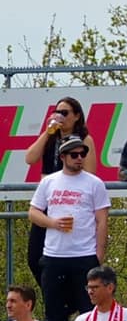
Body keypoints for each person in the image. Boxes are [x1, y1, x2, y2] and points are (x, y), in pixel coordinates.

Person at [29, 136, 109, 321]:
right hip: (54, 255)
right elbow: (33, 212)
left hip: (84, 255)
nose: (79, 158)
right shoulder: (49, 182)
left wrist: (99, 255)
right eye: (74, 155)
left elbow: (102, 220)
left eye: (82, 154)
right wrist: (52, 223)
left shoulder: (94, 183)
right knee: (53, 312)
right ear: (62, 156)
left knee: (88, 311)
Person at [23, 98, 93, 284]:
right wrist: (48, 132)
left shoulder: (84, 140)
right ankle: (54, 298)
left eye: (65, 113)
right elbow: (30, 158)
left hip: (70, 202)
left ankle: (71, 300)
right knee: (35, 257)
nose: (60, 117)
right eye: (57, 112)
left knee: (70, 258)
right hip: (47, 200)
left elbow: (91, 174)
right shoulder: (50, 137)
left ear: (77, 116)